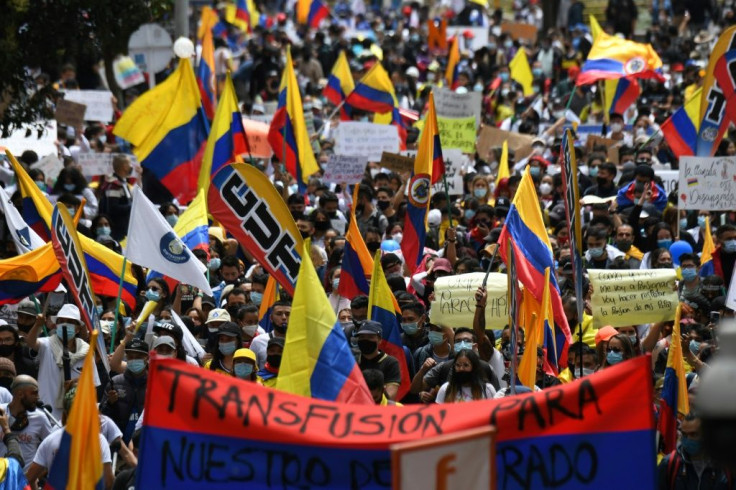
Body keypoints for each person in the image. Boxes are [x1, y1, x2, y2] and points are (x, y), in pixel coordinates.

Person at [26, 387, 114, 489]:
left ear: (66, 414)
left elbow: (29, 479)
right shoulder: (99, 440)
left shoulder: (50, 440)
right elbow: (108, 481)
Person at [25, 305, 99, 419]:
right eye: (61, 321)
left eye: (70, 322)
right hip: (47, 410)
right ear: (56, 325)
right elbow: (30, 342)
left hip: (75, 413)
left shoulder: (87, 351)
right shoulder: (46, 344)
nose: (65, 324)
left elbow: (92, 384)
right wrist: (37, 325)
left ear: (78, 328)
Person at [657, 412, 733, 489]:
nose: (688, 439)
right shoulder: (670, 463)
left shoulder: (726, 466)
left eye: (694, 434)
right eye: (684, 434)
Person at [0, 376, 53, 471]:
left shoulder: (40, 418)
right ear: (20, 394)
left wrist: (37, 476)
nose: (38, 397)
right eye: (34, 393)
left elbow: (52, 448)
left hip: (26, 481)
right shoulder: (1, 412)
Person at [100, 339, 148, 442]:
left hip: (144, 445)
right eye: (131, 357)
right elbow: (103, 417)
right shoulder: (115, 382)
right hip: (119, 445)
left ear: (146, 358)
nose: (134, 360)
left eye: (138, 357)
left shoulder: (154, 385)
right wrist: (109, 403)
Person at [356, 321, 402, 400]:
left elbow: (391, 396)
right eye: (362, 337)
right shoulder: (353, 361)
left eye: (370, 337)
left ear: (379, 339)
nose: (365, 341)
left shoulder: (391, 363)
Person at [250, 301, 291, 368]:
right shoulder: (258, 341)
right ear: (271, 318)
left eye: (288, 314)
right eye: (279, 314)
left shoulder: (301, 341)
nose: (284, 317)